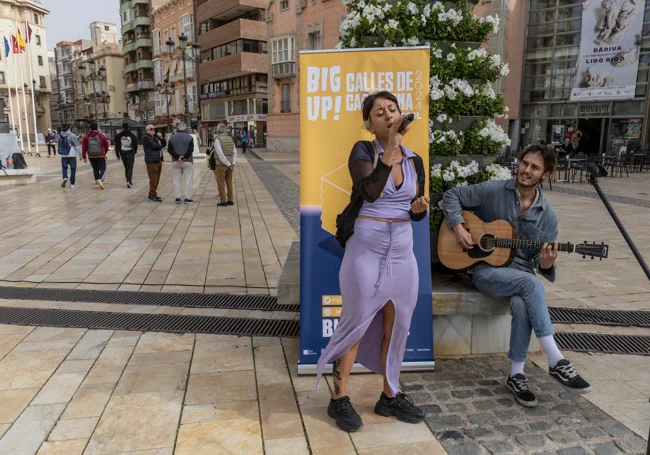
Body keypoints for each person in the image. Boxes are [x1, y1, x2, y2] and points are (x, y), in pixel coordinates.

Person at [441, 144, 591, 409]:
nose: (526, 170)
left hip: (520, 275)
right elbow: (451, 195)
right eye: (524, 163)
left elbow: (538, 263)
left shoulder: (548, 216)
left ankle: (516, 374)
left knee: (524, 297)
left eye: (534, 167)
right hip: (485, 271)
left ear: (545, 174)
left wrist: (545, 263)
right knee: (530, 284)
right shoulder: (493, 189)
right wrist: (457, 226)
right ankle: (555, 359)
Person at [315, 92, 429, 433]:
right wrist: (390, 149)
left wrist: (418, 211)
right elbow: (370, 191)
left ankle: (390, 394)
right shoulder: (363, 151)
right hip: (366, 249)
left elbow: (412, 208)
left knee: (399, 325)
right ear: (370, 123)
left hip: (402, 252)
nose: (389, 115)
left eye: (392, 109)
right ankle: (339, 398)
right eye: (380, 113)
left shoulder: (415, 160)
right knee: (355, 323)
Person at [211, 123, 237, 207]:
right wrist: (232, 163)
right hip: (230, 164)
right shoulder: (230, 139)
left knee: (221, 182)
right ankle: (230, 200)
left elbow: (220, 154)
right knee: (229, 182)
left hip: (221, 164)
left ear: (218, 130)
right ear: (225, 130)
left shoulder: (217, 140)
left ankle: (223, 201)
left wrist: (228, 164)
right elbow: (234, 152)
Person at [167, 123, 195, 204]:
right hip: (187, 161)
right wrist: (183, 157)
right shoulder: (189, 137)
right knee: (188, 180)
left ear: (177, 129)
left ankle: (177, 197)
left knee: (176, 180)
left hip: (176, 161)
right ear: (185, 128)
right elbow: (191, 150)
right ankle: (187, 198)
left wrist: (177, 157)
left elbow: (169, 150)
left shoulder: (172, 138)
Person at [81, 122, 110, 190]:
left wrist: (84, 157)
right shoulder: (101, 136)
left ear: (90, 128)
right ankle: (100, 180)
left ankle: (97, 183)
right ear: (97, 128)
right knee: (103, 169)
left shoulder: (86, 136)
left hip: (91, 156)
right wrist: (104, 153)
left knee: (95, 169)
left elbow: (84, 147)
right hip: (100, 155)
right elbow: (106, 146)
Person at [143, 124, 167, 202]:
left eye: (154, 129)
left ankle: (153, 194)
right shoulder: (146, 138)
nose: (153, 130)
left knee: (157, 179)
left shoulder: (154, 137)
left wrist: (161, 137)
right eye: (151, 129)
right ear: (147, 130)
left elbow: (164, 144)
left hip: (158, 160)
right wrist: (159, 145)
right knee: (153, 179)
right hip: (151, 161)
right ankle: (152, 195)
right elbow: (155, 147)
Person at [114, 123, 139, 188]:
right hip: (130, 153)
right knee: (130, 168)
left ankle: (128, 180)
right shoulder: (132, 136)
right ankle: (129, 181)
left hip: (123, 153)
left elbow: (116, 146)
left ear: (122, 128)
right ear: (129, 127)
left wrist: (117, 154)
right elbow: (135, 145)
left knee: (126, 168)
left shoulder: (118, 136)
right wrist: (135, 151)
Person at [58, 124, 81, 189]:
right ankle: (72, 184)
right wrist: (80, 154)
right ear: (69, 128)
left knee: (64, 168)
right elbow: (77, 145)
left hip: (63, 154)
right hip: (72, 154)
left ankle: (65, 177)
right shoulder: (72, 135)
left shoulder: (60, 135)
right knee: (73, 169)